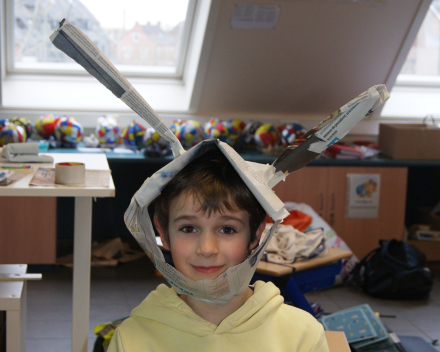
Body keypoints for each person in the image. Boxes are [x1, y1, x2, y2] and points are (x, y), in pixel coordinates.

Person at [108, 147, 329, 352]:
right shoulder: (131, 339)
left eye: (227, 229)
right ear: (163, 233)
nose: (207, 249)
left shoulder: (302, 336)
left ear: (255, 235)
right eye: (188, 228)